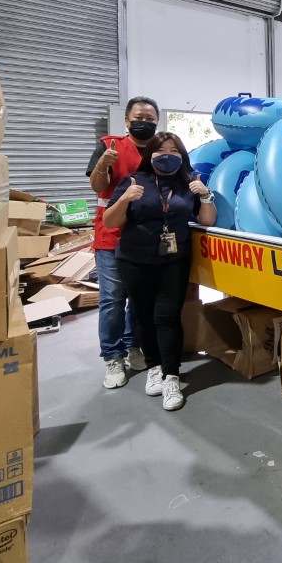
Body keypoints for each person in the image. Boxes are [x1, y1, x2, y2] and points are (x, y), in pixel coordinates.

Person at [103, 132, 216, 411]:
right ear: (149, 154)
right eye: (161, 150)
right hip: (134, 260)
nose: (167, 155)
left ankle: (171, 376)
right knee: (142, 316)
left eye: (174, 151)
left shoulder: (190, 182)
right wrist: (125, 199)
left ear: (183, 155)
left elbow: (207, 220)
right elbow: (110, 222)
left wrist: (206, 196)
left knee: (167, 317)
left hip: (173, 260)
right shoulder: (133, 181)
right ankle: (153, 367)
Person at [87, 96, 162, 390]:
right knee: (113, 299)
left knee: (139, 298)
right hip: (112, 237)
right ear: (127, 120)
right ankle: (113, 356)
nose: (145, 122)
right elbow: (98, 187)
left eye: (151, 118)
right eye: (139, 117)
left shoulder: (161, 149)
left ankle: (133, 347)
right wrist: (103, 167)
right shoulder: (110, 146)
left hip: (146, 237)